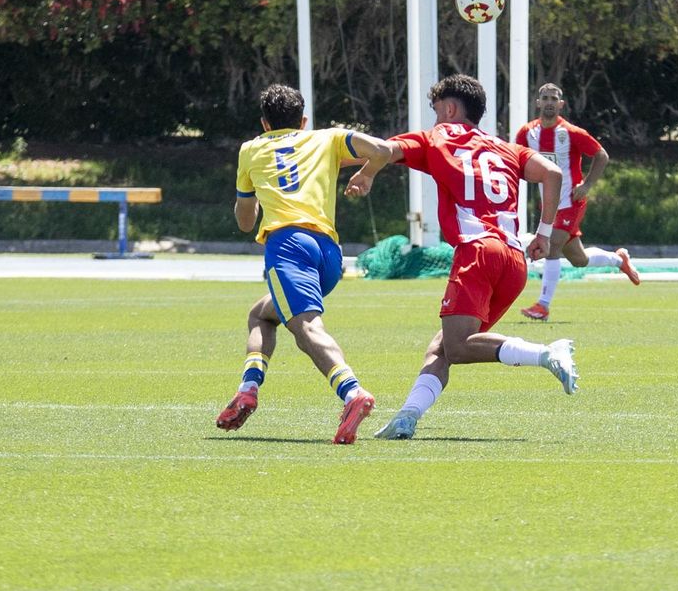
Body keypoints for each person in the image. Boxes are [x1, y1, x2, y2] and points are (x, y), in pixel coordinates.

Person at [344, 74, 577, 440]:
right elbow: (552, 172)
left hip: (478, 252)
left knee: (457, 345)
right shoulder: (506, 148)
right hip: (514, 261)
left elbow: (383, 150)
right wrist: (544, 235)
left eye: (437, 110)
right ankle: (407, 416)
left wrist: (368, 172)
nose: (435, 119)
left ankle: (547, 353)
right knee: (442, 347)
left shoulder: (436, 137)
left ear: (450, 108)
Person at [214, 84, 387, 445]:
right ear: (304, 120)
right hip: (328, 254)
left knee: (306, 328)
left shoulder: (251, 150)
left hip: (287, 246)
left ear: (264, 123)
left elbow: (246, 222)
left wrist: (255, 199)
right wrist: (366, 174)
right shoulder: (328, 138)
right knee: (262, 314)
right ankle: (247, 389)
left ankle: (352, 392)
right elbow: (384, 150)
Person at [514, 82, 640, 321]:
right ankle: (618, 259)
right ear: (538, 102)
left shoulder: (571, 133)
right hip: (549, 204)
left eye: (554, 99)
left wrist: (588, 184)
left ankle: (543, 306)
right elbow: (515, 159)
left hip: (572, 201)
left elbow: (601, 155)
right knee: (578, 260)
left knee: (551, 246)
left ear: (561, 104)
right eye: (545, 98)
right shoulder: (527, 133)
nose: (549, 102)